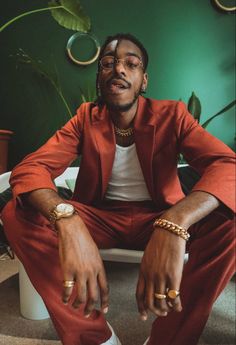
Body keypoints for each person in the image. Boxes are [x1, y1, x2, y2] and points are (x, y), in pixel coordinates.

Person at [1, 33, 235, 345]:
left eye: (131, 64)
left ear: (144, 80)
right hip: (99, 218)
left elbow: (227, 165)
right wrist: (66, 219)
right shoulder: (85, 118)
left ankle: (171, 338)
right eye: (108, 63)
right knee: (17, 214)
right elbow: (32, 168)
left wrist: (175, 221)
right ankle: (93, 337)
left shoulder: (173, 115)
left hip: (159, 216)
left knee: (231, 223)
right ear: (99, 80)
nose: (119, 69)